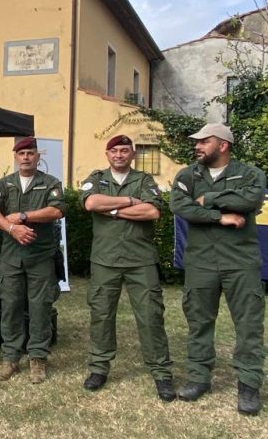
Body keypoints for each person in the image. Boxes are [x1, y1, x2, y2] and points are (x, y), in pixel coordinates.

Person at [169, 123, 266, 415]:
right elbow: (179, 205)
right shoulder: (188, 174)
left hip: (241, 262)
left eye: (203, 141)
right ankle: (199, 378)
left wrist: (208, 198)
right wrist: (219, 217)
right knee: (199, 322)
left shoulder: (250, 174)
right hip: (201, 262)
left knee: (248, 325)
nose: (197, 146)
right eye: (196, 142)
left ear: (222, 145)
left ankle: (249, 385)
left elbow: (251, 199)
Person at [79, 135, 175, 401]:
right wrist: (131, 202)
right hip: (105, 260)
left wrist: (111, 210)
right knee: (101, 314)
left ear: (132, 154)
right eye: (114, 151)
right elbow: (91, 203)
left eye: (124, 151)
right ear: (107, 154)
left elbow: (152, 212)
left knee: (150, 316)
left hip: (140, 260)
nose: (119, 155)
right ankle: (99, 367)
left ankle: (161, 373)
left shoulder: (144, 180)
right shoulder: (96, 178)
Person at [0, 137, 65, 383]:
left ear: (38, 157)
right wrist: (11, 228)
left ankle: (38, 358)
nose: (26, 157)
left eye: (30, 153)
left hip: (40, 256)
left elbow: (57, 210)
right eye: (21, 154)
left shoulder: (50, 183)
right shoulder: (4, 184)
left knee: (40, 307)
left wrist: (23, 216)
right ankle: (10, 358)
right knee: (10, 307)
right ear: (15, 157)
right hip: (11, 257)